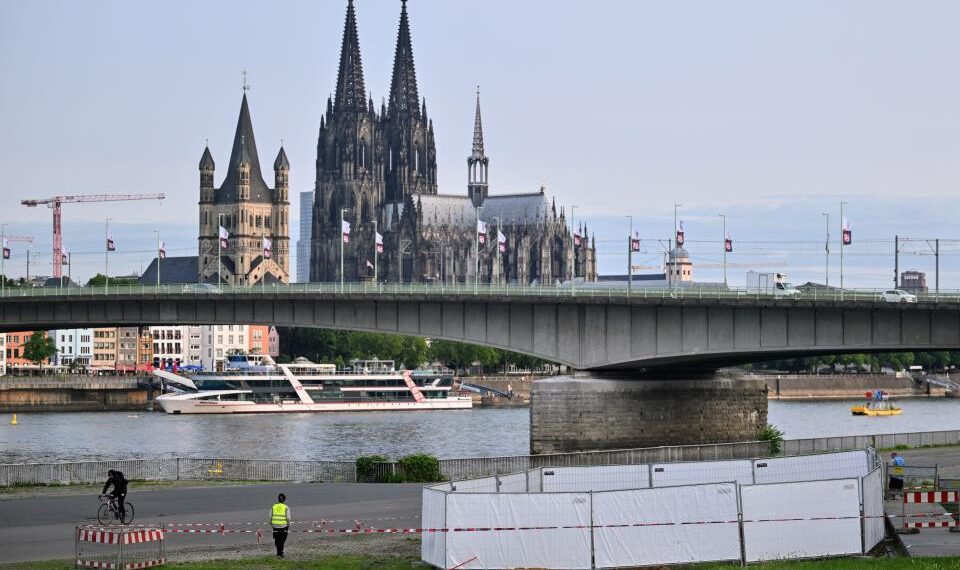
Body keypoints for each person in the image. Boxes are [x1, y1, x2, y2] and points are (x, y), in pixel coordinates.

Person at [270, 493, 291, 558]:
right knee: (282, 539)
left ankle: (278, 551)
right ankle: (280, 553)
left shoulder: (274, 506)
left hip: (275, 526)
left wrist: (272, 524)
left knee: (277, 539)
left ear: (278, 499)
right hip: (283, 526)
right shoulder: (286, 507)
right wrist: (288, 524)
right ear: (284, 499)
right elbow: (288, 518)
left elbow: (270, 517)